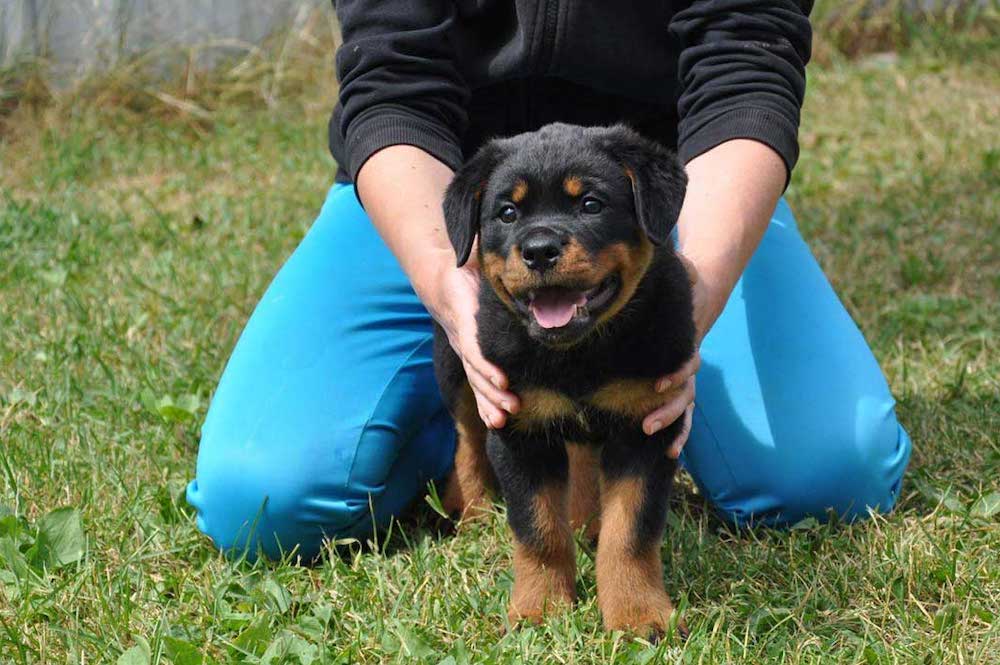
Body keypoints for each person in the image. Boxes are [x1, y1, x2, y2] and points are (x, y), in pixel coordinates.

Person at [186, 1, 911, 561]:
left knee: (827, 479)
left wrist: (693, 293)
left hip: (669, 188)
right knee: (263, 499)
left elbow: (747, 63)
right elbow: (390, 83)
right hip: (443, 188)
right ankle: (480, 424)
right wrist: (446, 278)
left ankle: (605, 426)